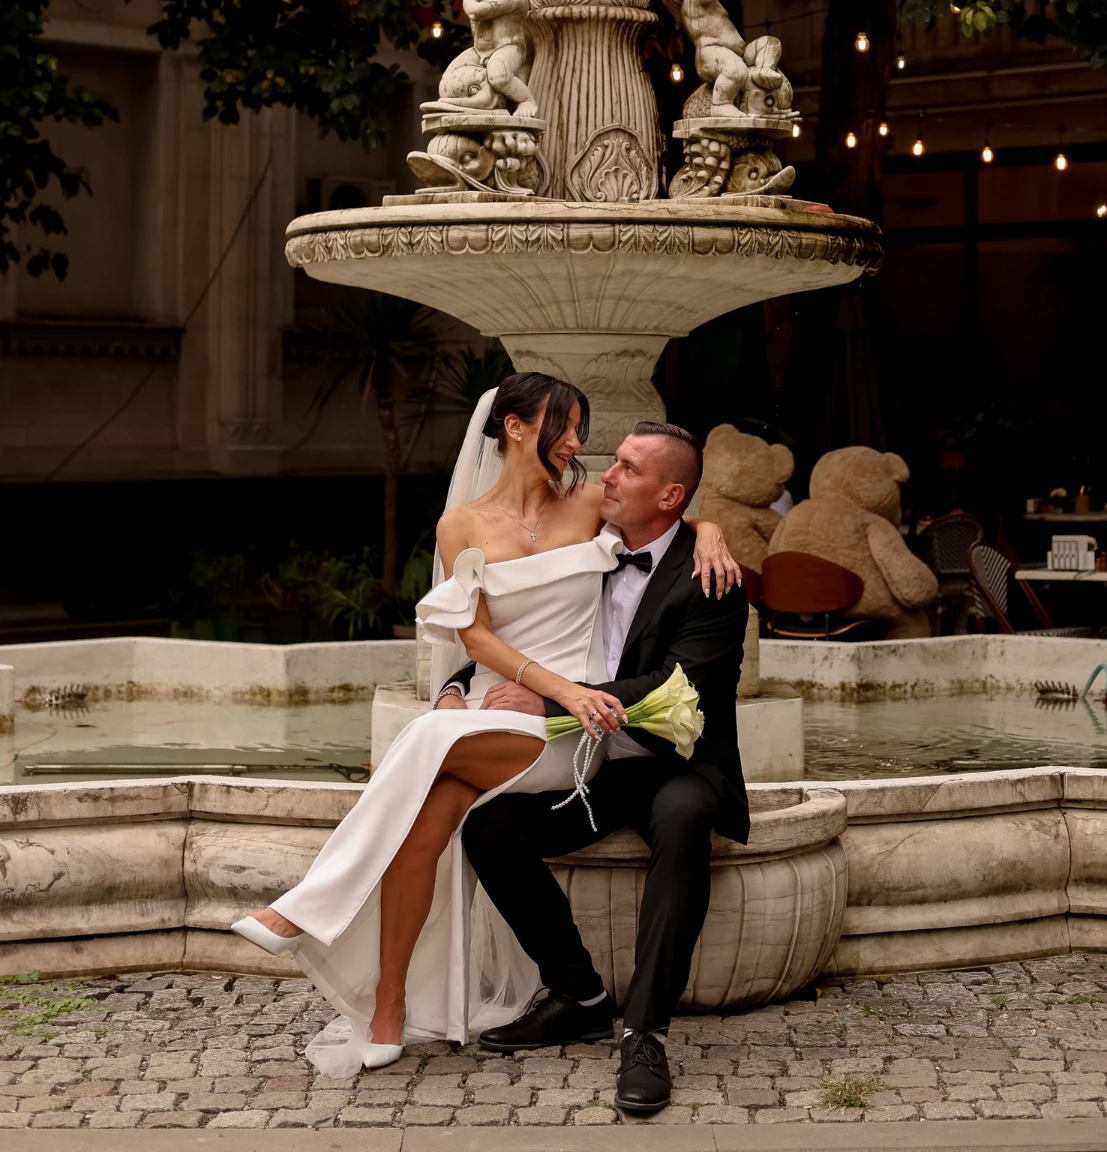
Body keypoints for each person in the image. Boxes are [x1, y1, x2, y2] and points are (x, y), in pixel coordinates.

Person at [227, 373, 738, 1072]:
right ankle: (388, 1010)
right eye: (566, 425)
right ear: (516, 427)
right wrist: (458, 689)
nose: (582, 447)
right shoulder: (459, 526)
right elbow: (476, 639)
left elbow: (670, 519)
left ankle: (306, 908)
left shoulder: (591, 505)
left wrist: (712, 529)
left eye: (587, 432)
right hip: (509, 715)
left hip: (571, 729)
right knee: (435, 801)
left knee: (430, 745)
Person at [456, 420, 750, 1117]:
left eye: (627, 467)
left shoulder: (712, 580)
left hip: (675, 764)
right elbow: (521, 619)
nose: (606, 475)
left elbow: (676, 686)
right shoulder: (589, 548)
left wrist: (556, 693)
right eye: (611, 461)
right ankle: (579, 996)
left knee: (682, 821)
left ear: (670, 495)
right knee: (489, 827)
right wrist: (459, 681)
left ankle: (644, 1033)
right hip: (589, 766)